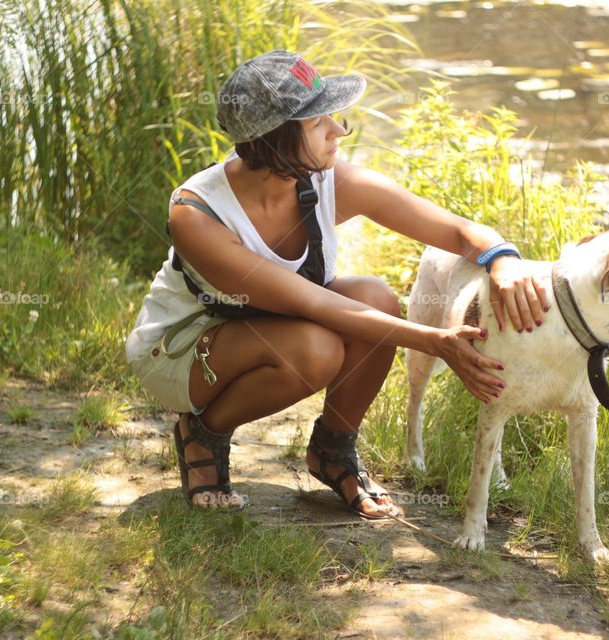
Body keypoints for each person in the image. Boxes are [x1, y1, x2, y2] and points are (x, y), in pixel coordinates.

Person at [125, 50, 550, 518]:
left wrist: (503, 259)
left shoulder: (326, 178)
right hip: (181, 351)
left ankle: (333, 450)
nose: (339, 129)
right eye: (318, 121)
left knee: (377, 297)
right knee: (318, 348)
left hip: (275, 326)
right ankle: (202, 431)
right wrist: (436, 342)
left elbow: (455, 231)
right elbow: (315, 305)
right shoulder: (197, 215)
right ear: (275, 138)